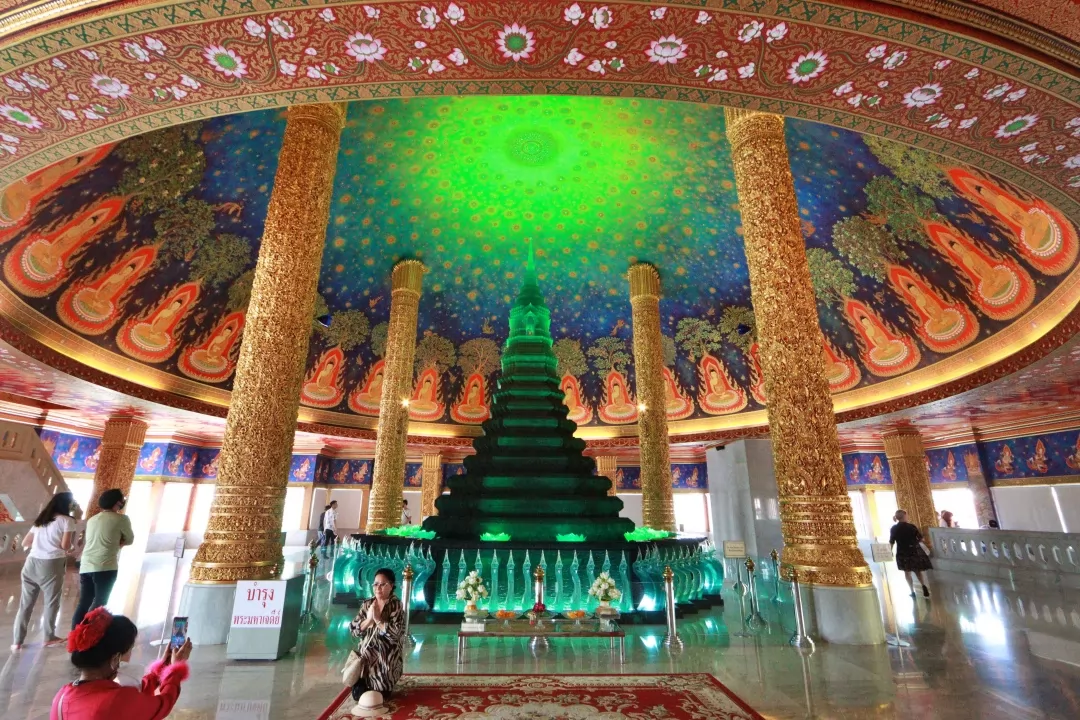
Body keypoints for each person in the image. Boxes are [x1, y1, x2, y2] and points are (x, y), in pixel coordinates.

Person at [51, 607, 192, 719]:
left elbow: (135, 696)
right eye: (129, 651)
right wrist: (175, 671)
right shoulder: (116, 700)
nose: (128, 658)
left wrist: (163, 668)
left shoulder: (61, 696)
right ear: (115, 658)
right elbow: (162, 704)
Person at [12, 491, 78, 651]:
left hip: (31, 563)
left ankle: (17, 641)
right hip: (51, 563)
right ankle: (49, 637)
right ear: (67, 505)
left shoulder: (41, 520)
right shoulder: (67, 520)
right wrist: (70, 547)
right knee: (51, 602)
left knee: (25, 604)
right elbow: (65, 545)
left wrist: (42, 543)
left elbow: (26, 542)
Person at [72, 489, 133, 628]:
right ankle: (87, 632)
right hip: (105, 566)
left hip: (86, 564)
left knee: (84, 602)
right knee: (100, 602)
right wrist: (117, 543)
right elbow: (129, 539)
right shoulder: (122, 519)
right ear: (118, 502)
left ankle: (75, 634)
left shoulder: (92, 519)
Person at [348, 568, 406, 703]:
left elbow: (396, 634)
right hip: (366, 657)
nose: (378, 588)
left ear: (391, 586)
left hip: (385, 658)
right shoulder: (367, 604)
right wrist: (369, 620)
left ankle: (385, 682)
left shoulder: (396, 605)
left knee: (381, 697)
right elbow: (353, 630)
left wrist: (379, 620)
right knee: (358, 696)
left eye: (383, 584)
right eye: (375, 584)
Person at [890, 510, 933, 598]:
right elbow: (921, 538)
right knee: (917, 571)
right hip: (913, 550)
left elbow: (892, 541)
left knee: (907, 572)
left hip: (902, 552)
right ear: (905, 516)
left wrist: (890, 551)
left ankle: (912, 591)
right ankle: (923, 586)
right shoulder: (911, 526)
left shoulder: (894, 528)